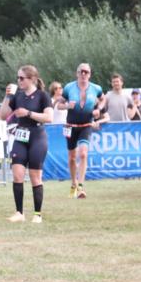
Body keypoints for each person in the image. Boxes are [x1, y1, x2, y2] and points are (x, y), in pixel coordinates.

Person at [0, 65, 54, 222]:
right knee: (17, 175)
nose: (19, 81)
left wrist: (29, 113)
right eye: (18, 78)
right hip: (20, 136)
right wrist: (7, 96)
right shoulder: (18, 96)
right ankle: (19, 213)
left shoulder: (42, 96)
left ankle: (37, 214)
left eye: (22, 78)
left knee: (35, 176)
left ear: (32, 79)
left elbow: (49, 118)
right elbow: (3, 115)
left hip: (37, 136)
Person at [60, 63, 105, 199]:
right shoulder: (69, 87)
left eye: (86, 72)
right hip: (70, 126)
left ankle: (81, 187)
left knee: (84, 154)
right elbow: (58, 105)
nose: (84, 74)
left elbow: (103, 99)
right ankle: (73, 183)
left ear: (90, 74)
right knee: (72, 158)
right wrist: (67, 105)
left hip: (86, 125)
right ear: (77, 73)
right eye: (81, 72)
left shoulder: (96, 88)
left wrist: (99, 109)